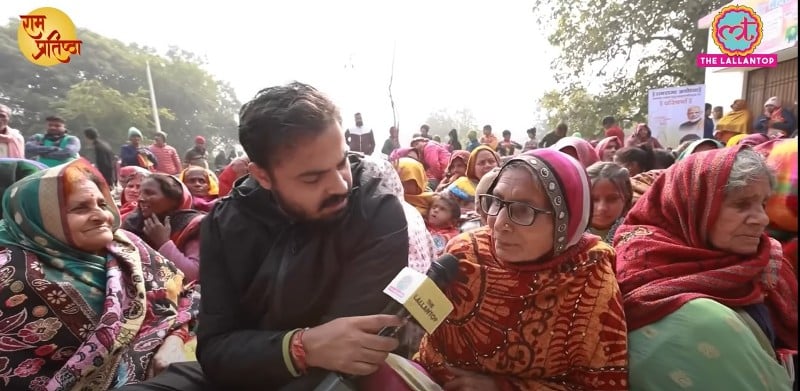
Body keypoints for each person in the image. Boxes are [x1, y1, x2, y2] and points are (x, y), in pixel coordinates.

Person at [119, 81, 435, 390]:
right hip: (241, 373)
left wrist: (291, 349)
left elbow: (345, 351)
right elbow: (215, 351)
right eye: (312, 177)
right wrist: (302, 345)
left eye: (341, 164)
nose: (340, 185)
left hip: (338, 379)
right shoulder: (223, 223)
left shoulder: (376, 211)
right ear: (262, 176)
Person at [415, 149, 628, 389]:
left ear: (565, 220)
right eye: (496, 201)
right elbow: (423, 327)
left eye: (523, 210)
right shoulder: (465, 251)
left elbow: (601, 385)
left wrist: (501, 388)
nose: (500, 223)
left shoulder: (590, 276)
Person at [0, 159, 198, 390]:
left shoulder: (128, 246)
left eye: (102, 204)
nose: (100, 216)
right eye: (80, 208)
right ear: (38, 218)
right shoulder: (12, 274)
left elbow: (187, 297)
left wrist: (175, 339)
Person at [616, 146, 797, 390]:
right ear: (693, 205)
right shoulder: (641, 265)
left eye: (763, 204)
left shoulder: (767, 261)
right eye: (742, 204)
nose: (762, 219)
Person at [122, 174, 205, 282]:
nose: (141, 199)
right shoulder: (133, 224)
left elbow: (193, 275)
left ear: (174, 200)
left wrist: (163, 243)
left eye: (149, 193)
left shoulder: (193, 226)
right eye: (140, 193)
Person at [586, 162, 632, 244]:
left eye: (612, 199)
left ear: (626, 198)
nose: (602, 208)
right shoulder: (566, 236)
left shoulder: (635, 237)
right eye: (593, 199)